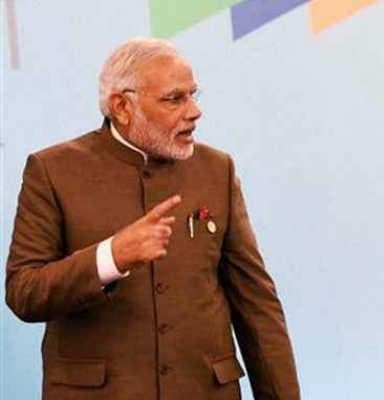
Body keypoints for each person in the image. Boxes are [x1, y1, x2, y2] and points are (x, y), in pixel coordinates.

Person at [6, 38, 300, 400]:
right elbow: (24, 291)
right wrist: (110, 258)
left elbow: (256, 305)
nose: (194, 111)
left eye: (193, 95)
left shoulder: (216, 170)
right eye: (174, 99)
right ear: (122, 107)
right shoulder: (53, 171)